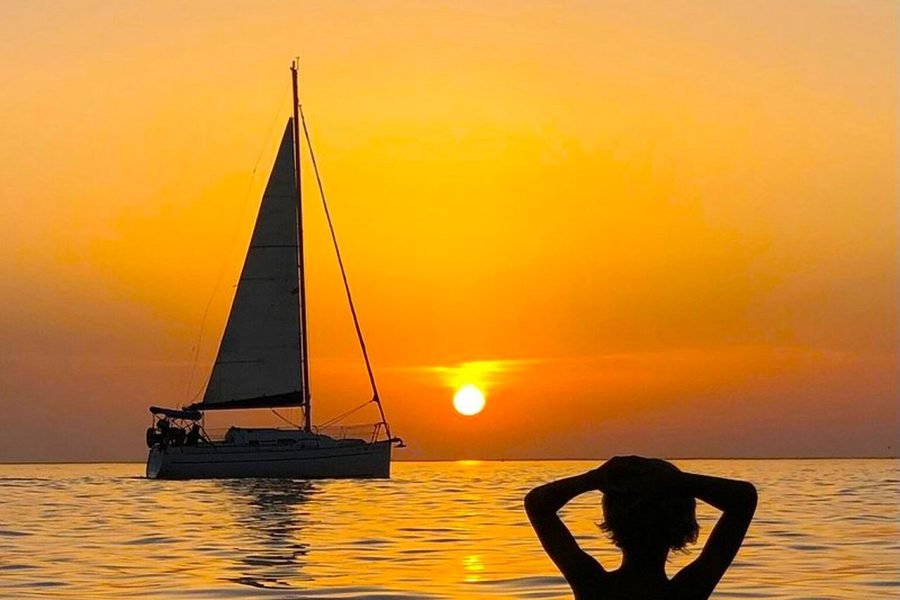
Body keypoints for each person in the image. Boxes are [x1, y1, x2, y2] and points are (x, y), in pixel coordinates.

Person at [525, 456, 757, 599]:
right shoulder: (687, 592)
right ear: (682, 524)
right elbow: (744, 499)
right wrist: (677, 481)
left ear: (613, 521)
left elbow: (537, 504)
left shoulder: (593, 587)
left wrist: (594, 478)